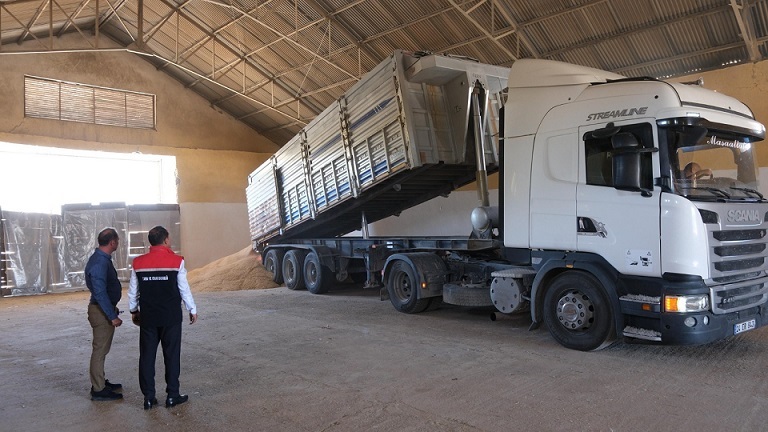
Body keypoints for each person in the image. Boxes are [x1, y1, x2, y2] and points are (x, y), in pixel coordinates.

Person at [128, 226, 198, 410]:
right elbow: (183, 288)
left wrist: (133, 310)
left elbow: (133, 291)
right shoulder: (176, 261)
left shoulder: (138, 263)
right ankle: (172, 396)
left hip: (148, 317)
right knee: (172, 355)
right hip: (171, 317)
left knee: (147, 356)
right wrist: (192, 308)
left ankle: (149, 398)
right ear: (166, 240)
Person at [85, 227, 124, 401]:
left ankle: (100, 381)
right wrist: (112, 316)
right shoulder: (100, 262)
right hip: (101, 312)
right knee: (99, 350)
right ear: (112, 242)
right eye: (118, 240)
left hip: (103, 309)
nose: (118, 243)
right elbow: (100, 292)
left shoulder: (101, 259)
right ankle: (98, 389)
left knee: (103, 349)